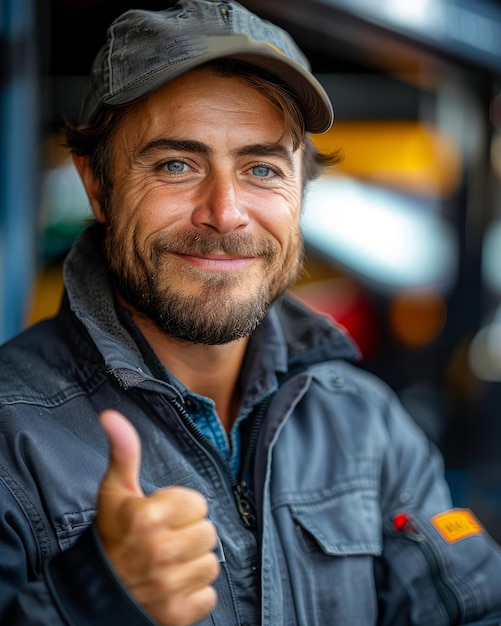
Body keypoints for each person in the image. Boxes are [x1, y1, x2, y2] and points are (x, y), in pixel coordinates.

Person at [1, 1, 501, 624]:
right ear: (96, 184)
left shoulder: (365, 422)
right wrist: (93, 596)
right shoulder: (10, 438)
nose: (226, 211)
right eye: (176, 165)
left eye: (261, 168)